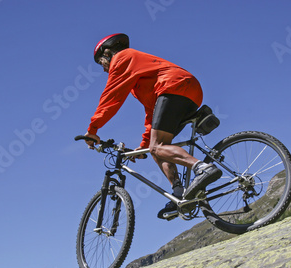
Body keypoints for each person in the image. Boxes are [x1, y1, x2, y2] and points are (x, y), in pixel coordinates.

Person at [82, 33, 222, 218]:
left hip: (173, 86)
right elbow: (152, 111)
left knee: (157, 147)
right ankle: (180, 195)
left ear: (107, 54)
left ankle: (202, 168)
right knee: (156, 148)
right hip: (188, 90)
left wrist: (93, 130)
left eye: (102, 63)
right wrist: (144, 145)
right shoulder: (138, 72)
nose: (104, 69)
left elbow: (111, 97)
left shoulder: (122, 58)